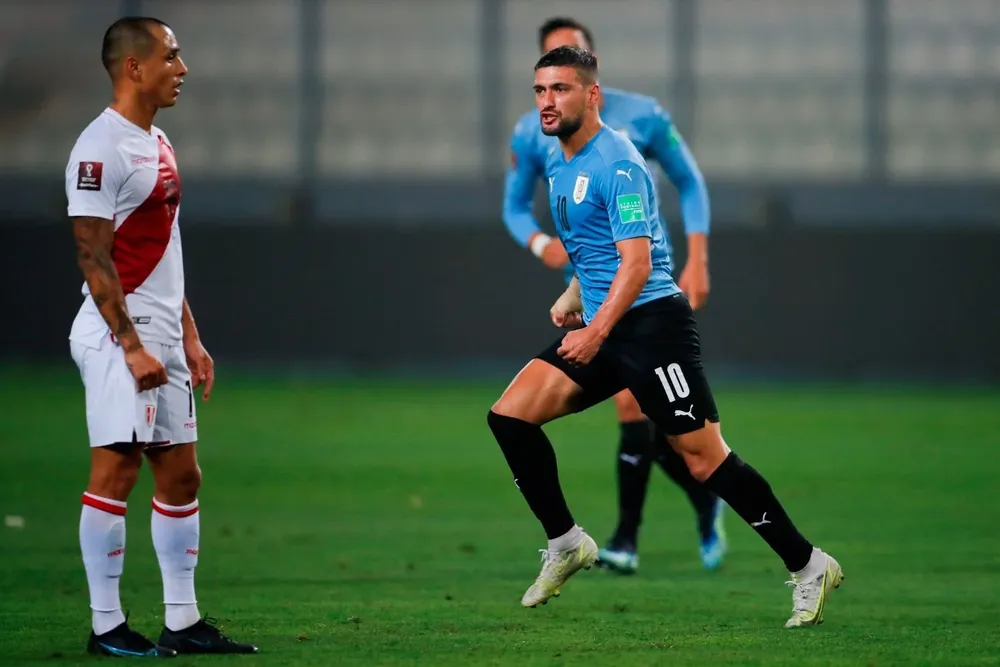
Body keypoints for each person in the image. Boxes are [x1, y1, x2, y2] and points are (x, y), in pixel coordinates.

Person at [487, 45, 843, 628]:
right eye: (540, 91)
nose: (547, 102)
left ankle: (809, 565)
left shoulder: (619, 161)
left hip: (653, 328)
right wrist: (574, 295)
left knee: (704, 460)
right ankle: (566, 542)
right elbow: (594, 248)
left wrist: (596, 330)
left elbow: (637, 263)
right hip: (605, 323)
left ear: (591, 95)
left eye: (560, 89)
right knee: (510, 417)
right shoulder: (557, 160)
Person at [503, 17, 723, 574]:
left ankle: (627, 536)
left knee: (644, 410)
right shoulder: (533, 130)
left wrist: (698, 257)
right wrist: (541, 245)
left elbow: (690, 181)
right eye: (547, 67)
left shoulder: (642, 117)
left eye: (570, 55)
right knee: (658, 422)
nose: (551, 92)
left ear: (591, 65)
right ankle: (695, 502)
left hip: (642, 281)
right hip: (589, 281)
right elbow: (513, 206)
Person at [65, 17, 257, 657]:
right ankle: (106, 626)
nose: (183, 68)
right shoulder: (100, 149)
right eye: (171, 57)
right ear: (134, 68)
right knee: (117, 469)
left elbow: (163, 246)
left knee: (181, 475)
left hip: (164, 335)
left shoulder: (158, 139)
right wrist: (131, 346)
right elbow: (92, 255)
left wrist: (189, 336)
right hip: (120, 337)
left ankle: (183, 620)